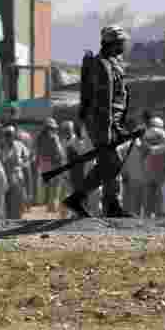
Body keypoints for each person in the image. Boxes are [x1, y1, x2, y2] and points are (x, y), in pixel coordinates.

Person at [64, 25, 134, 218]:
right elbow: (104, 101)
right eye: (121, 42)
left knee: (108, 163)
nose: (124, 46)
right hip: (102, 123)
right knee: (112, 162)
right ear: (113, 42)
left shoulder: (112, 63)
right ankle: (87, 199)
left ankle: (109, 204)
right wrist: (111, 128)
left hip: (109, 122)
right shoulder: (102, 65)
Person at [34, 117, 66, 214]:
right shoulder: (54, 137)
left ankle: (49, 205)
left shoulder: (39, 138)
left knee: (47, 187)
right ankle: (53, 206)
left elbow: (37, 152)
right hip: (54, 163)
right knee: (56, 186)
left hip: (44, 164)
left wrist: (38, 164)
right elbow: (59, 152)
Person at [0, 125, 31, 220]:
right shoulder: (0, 146)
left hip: (17, 180)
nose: (9, 137)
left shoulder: (19, 145)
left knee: (17, 206)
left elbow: (27, 163)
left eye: (10, 135)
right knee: (4, 207)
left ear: (14, 135)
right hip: (3, 180)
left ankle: (14, 226)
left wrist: (29, 189)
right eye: (7, 135)